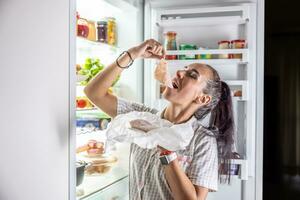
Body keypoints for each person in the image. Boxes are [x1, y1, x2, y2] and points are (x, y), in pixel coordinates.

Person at [84, 39, 235, 200]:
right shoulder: (142, 115)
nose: (179, 73)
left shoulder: (202, 140)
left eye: (191, 75)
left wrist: (166, 148)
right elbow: (94, 93)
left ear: (203, 99)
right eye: (184, 69)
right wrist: (132, 54)